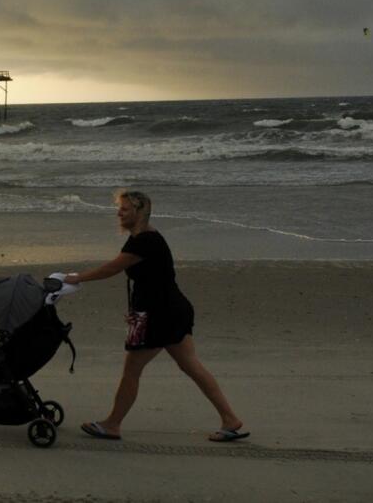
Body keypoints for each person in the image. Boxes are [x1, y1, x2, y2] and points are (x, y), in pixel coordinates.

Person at [63, 189, 248, 442]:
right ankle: (229, 419)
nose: (119, 213)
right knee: (190, 365)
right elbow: (147, 282)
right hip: (171, 310)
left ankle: (112, 424)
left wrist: (76, 278)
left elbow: (112, 269)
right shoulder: (146, 237)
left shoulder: (144, 241)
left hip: (160, 315)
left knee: (132, 370)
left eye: (124, 209)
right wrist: (134, 313)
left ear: (139, 212)